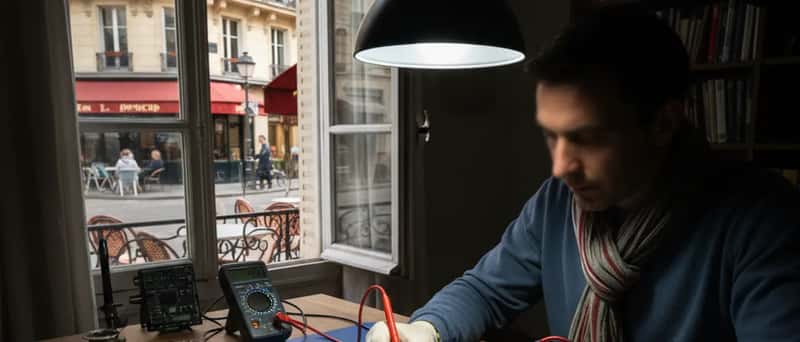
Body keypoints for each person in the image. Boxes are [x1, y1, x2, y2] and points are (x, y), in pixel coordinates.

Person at [366, 10, 800, 342]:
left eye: (587, 138)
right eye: (551, 136)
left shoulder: (762, 221)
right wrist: (425, 329)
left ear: (663, 124)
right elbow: (484, 290)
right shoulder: (556, 203)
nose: (560, 168)